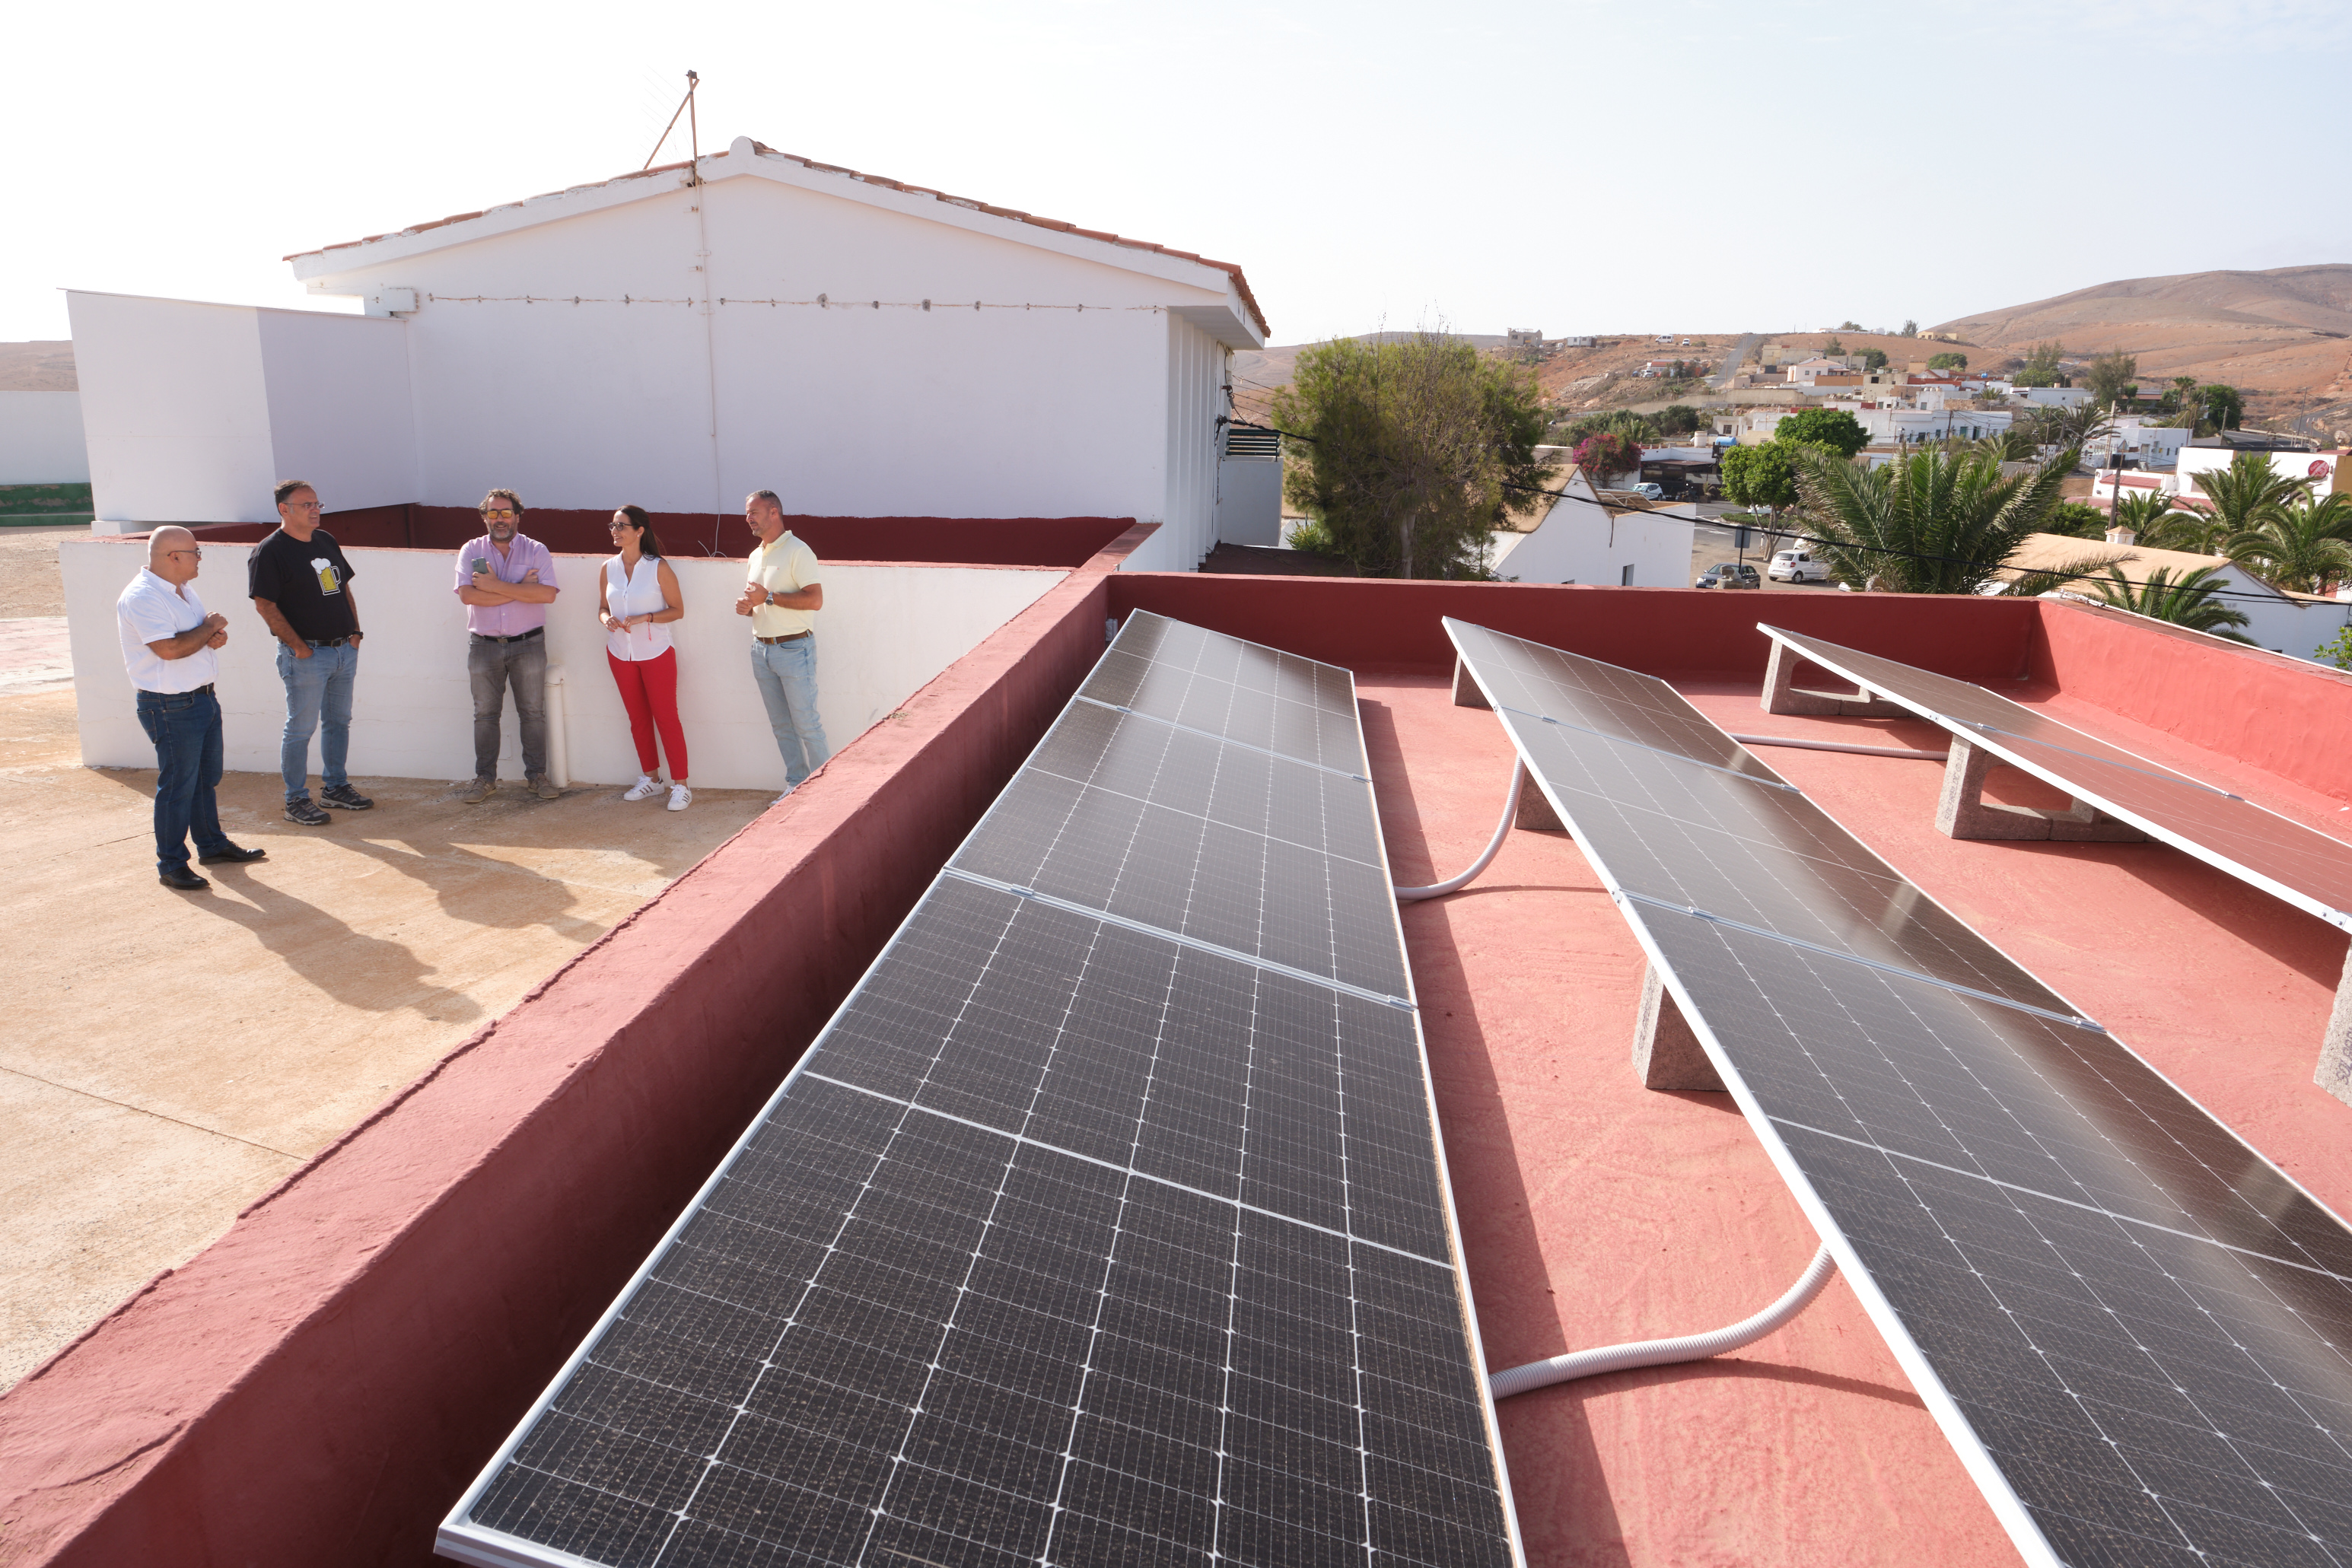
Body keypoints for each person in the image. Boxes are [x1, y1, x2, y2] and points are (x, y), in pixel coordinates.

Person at [118, 526, 266, 889]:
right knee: (178, 786)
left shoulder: (182, 590)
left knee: (204, 780)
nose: (200, 557)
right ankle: (171, 864)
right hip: (169, 705)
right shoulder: (143, 597)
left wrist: (211, 637)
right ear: (174, 557)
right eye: (196, 552)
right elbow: (168, 650)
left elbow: (193, 639)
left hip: (199, 698)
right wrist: (209, 627)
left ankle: (212, 845)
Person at [250, 480, 370, 826]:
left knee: (338, 722)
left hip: (343, 650)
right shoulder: (270, 551)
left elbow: (342, 586)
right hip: (307, 657)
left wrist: (355, 633)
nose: (315, 510)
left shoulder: (325, 540)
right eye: (306, 505)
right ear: (283, 510)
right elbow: (265, 604)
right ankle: (296, 800)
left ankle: (335, 787)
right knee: (300, 730)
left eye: (317, 503)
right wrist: (299, 648)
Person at [453, 488, 561, 803]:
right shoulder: (470, 550)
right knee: (485, 715)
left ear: (518, 515)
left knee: (533, 713)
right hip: (483, 645)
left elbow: (547, 595)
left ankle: (537, 777)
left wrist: (495, 587)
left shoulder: (536, 550)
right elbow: (469, 596)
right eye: (493, 513)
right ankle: (485, 779)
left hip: (528, 643)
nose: (500, 519)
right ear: (484, 516)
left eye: (506, 513)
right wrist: (521, 589)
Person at [736, 489, 828, 800]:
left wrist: (769, 598)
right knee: (781, 725)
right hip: (761, 650)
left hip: (794, 650)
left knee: (807, 724)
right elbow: (759, 599)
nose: (748, 518)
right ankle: (797, 783)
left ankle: (825, 793)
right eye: (747, 513)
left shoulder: (798, 551)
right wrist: (749, 606)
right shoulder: (756, 554)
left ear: (774, 512)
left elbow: (815, 600)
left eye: (754, 512)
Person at [600, 506, 692, 810]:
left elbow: (678, 610)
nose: (615, 530)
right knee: (638, 720)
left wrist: (646, 617)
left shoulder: (658, 567)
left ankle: (681, 785)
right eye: (612, 525)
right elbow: (602, 607)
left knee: (666, 718)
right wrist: (606, 620)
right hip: (619, 653)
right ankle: (651, 780)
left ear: (639, 531)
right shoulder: (608, 567)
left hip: (656, 653)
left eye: (621, 526)